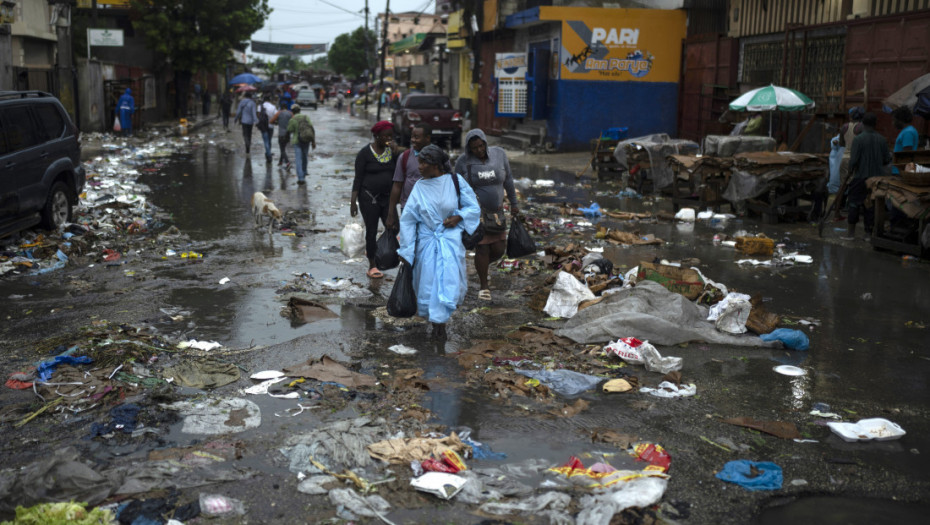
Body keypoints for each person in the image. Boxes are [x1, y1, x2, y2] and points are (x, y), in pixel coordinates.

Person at [398, 145, 480, 337]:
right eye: (419, 161)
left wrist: (458, 217)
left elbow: (473, 207)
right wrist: (406, 251)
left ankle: (441, 324)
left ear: (435, 165)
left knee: (449, 282)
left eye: (423, 162)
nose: (419, 166)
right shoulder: (419, 187)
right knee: (427, 284)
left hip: (450, 242)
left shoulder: (455, 181)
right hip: (426, 244)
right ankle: (436, 324)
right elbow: (408, 220)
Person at [453, 128, 519, 301]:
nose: (479, 150)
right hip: (477, 214)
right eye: (475, 148)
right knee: (482, 248)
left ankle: (481, 267)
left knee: (499, 249)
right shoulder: (463, 161)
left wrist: (514, 203)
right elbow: (456, 187)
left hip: (497, 213)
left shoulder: (499, 155)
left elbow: (509, 180)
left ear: (485, 143)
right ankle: (484, 286)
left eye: (481, 145)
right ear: (469, 148)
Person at [352, 121, 397, 278]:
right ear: (377, 135)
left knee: (393, 227)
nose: (389, 139)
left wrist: (396, 151)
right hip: (368, 198)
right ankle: (372, 264)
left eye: (391, 136)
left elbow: (398, 175)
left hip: (387, 198)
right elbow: (358, 178)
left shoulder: (392, 152)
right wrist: (353, 201)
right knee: (371, 231)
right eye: (386, 136)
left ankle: (372, 249)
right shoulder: (365, 153)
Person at [386, 123, 452, 230]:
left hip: (434, 210)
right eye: (412, 136)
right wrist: (390, 214)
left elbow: (449, 183)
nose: (413, 140)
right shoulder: (404, 157)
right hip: (409, 208)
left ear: (427, 138)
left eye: (417, 137)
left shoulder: (441, 158)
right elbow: (397, 185)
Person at [845, 112, 891, 240]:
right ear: (875, 125)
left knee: (854, 203)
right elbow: (887, 160)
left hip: (860, 177)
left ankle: (851, 234)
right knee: (870, 206)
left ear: (862, 124)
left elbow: (853, 161)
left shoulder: (858, 139)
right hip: (876, 179)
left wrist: (849, 172)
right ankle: (867, 234)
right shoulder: (882, 140)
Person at [286, 105, 316, 185]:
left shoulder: (292, 119)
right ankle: (304, 171)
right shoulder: (306, 117)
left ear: (293, 111)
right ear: (299, 110)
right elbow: (311, 128)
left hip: (297, 141)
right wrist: (313, 141)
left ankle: (301, 178)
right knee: (305, 157)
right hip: (306, 140)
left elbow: (289, 129)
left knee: (298, 159)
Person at [891, 106, 919, 175]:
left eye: (894, 120)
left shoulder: (907, 133)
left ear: (900, 120)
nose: (893, 123)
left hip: (901, 172)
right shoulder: (907, 130)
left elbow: (906, 154)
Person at [270, 102, 293, 170]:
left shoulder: (278, 113)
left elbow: (271, 121)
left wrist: (277, 122)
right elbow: (295, 121)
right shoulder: (290, 113)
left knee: (282, 149)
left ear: (281, 108)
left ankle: (287, 162)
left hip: (281, 134)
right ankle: (280, 161)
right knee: (283, 147)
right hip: (288, 134)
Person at [234, 91, 258, 155]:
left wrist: (235, 119)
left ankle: (246, 144)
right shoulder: (253, 103)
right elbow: (254, 113)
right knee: (249, 134)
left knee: (245, 134)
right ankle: (248, 147)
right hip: (250, 122)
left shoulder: (241, 102)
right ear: (250, 96)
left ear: (245, 96)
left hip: (244, 121)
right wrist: (257, 121)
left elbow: (238, 112)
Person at [259, 96, 277, 164]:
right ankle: (268, 153)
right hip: (271, 126)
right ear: (270, 100)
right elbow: (276, 115)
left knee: (266, 141)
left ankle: (268, 154)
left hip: (263, 126)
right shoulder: (273, 107)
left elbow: (258, 115)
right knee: (269, 141)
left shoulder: (260, 106)